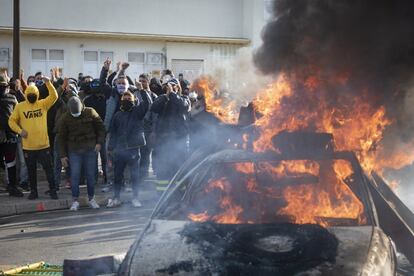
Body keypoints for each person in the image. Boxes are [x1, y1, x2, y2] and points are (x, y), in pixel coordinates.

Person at [8, 76, 58, 200]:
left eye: (33, 94)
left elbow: (54, 96)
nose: (31, 96)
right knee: (31, 171)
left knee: (48, 170)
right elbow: (11, 121)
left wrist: (48, 82)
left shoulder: (42, 104)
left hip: (43, 145)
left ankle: (53, 190)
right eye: (29, 94)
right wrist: (20, 131)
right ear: (26, 94)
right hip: (28, 146)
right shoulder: (20, 107)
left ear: (37, 94)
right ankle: (34, 192)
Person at [58, 97, 105, 211]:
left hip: (90, 149)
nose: (76, 115)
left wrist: (99, 143)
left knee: (90, 176)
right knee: (75, 176)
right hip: (74, 150)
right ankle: (75, 200)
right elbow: (61, 138)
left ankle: (91, 199)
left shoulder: (90, 112)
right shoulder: (65, 117)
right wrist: (63, 155)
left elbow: (101, 128)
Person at [107, 91, 146, 208]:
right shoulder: (117, 115)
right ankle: (116, 197)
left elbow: (147, 104)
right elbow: (113, 133)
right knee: (118, 176)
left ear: (133, 100)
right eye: (125, 98)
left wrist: (143, 90)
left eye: (129, 99)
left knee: (135, 176)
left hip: (133, 150)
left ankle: (135, 198)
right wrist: (110, 147)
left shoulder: (137, 112)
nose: (127, 100)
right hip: (120, 150)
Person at [151, 79, 191, 189]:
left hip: (178, 142)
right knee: (162, 170)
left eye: (173, 86)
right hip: (163, 142)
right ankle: (161, 195)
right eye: (168, 86)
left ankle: (180, 196)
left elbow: (183, 106)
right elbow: (153, 108)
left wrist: (172, 94)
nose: (169, 88)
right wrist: (165, 96)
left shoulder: (184, 99)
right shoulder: (162, 99)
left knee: (178, 170)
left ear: (178, 88)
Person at [0, 75, 24, 197]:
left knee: (11, 163)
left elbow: (19, 114)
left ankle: (12, 186)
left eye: (4, 86)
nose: (3, 88)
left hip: (10, 136)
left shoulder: (12, 98)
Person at [83, 78, 108, 185]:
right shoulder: (87, 100)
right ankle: (94, 179)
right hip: (91, 132)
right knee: (92, 158)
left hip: (104, 132)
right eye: (94, 85)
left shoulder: (106, 99)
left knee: (105, 157)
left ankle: (107, 178)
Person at [134, 74, 157, 179]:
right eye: (140, 81)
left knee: (146, 155)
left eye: (143, 81)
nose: (141, 83)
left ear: (148, 82)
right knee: (135, 156)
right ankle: (134, 179)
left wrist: (154, 131)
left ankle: (144, 178)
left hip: (148, 130)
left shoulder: (154, 96)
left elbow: (155, 114)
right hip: (136, 129)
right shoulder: (134, 94)